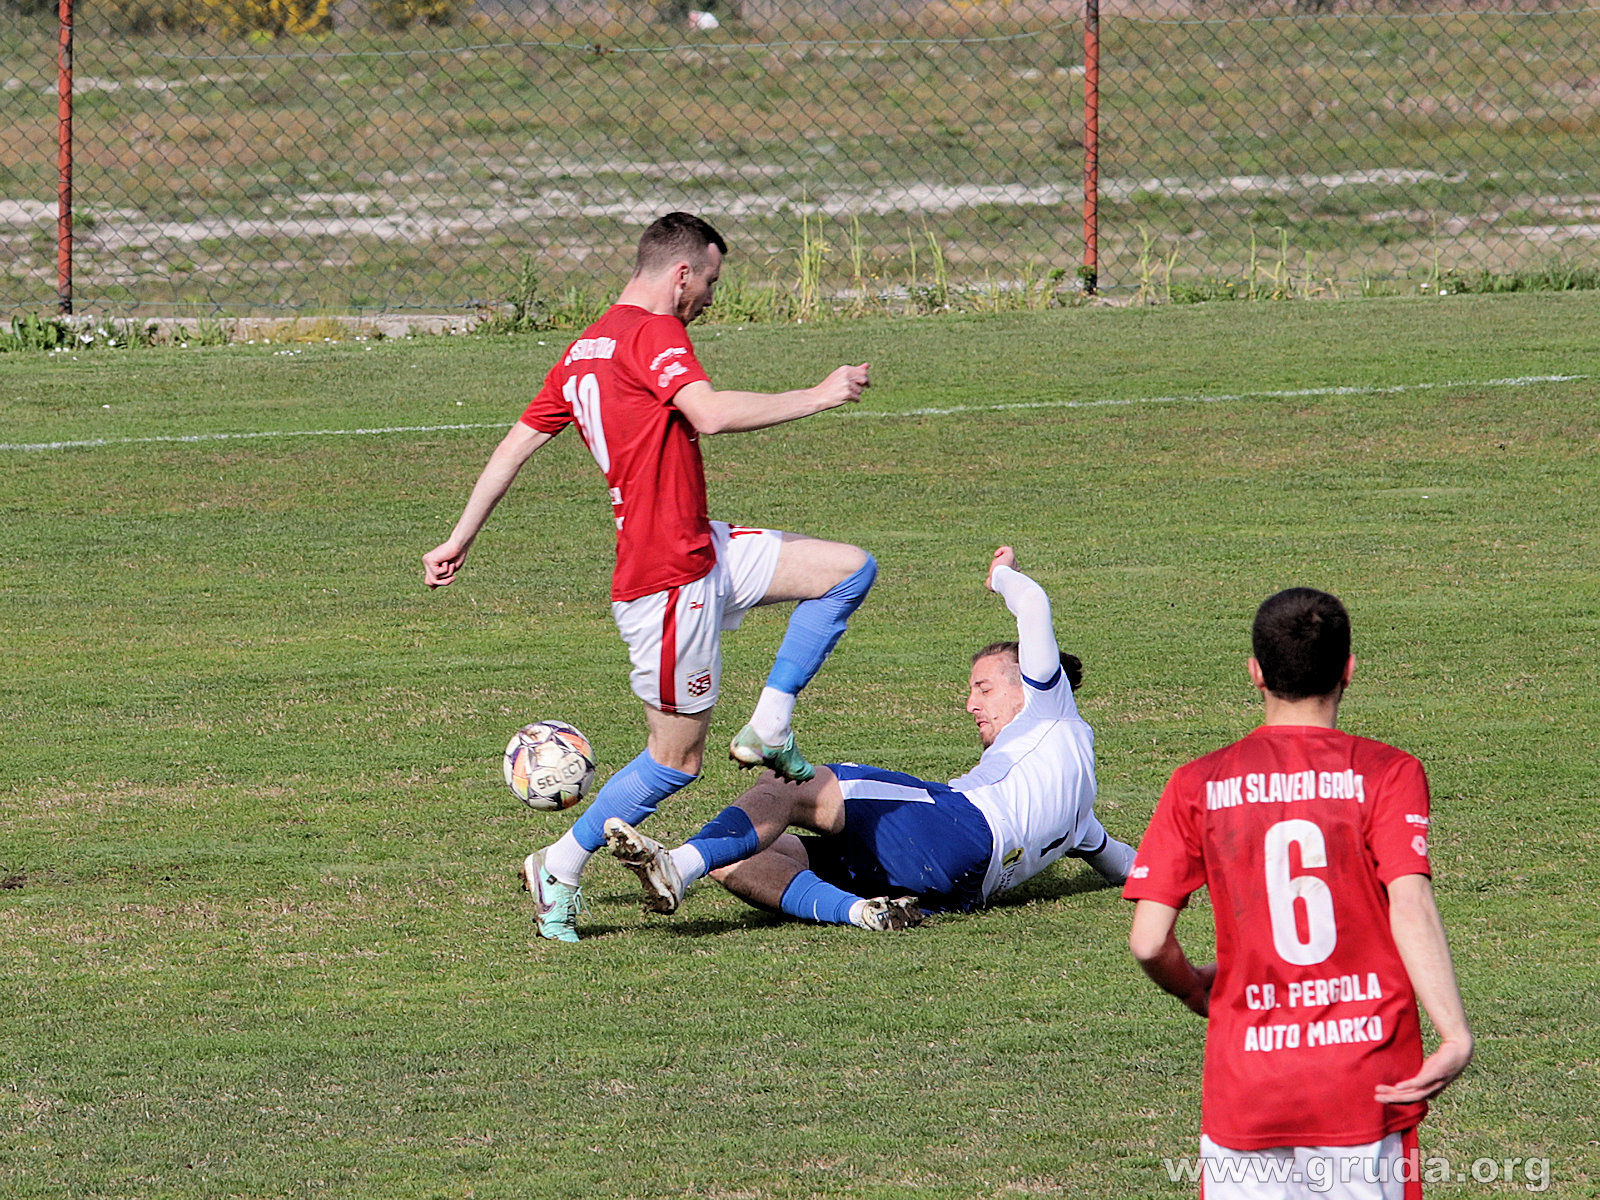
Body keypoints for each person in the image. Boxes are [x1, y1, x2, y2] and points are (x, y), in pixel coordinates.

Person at [422, 212, 876, 944]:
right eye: (711, 283)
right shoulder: (654, 331)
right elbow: (709, 414)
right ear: (681, 273)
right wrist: (819, 394)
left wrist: (459, 536)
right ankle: (559, 865)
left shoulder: (583, 348)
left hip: (704, 549)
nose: (710, 299)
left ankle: (771, 723)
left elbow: (513, 447)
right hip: (667, 583)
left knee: (849, 570)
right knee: (676, 760)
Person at [1125, 588, 1473, 1199]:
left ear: (1256, 673)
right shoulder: (1388, 772)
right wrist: (1454, 1032)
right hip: (1362, 1079)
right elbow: (1411, 904)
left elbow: (1149, 942)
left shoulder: (1197, 782)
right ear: (1348, 670)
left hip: (1248, 1083)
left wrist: (1193, 989)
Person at [602, 546, 1139, 930]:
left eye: (984, 687)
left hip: (961, 826)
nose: (971, 704)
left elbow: (1034, 604)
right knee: (740, 854)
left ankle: (678, 866)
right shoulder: (1080, 817)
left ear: (1032, 683)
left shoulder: (1049, 706)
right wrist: (1176, 869)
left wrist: (1001, 573)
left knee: (788, 784)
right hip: (957, 886)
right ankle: (862, 912)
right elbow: (1122, 864)